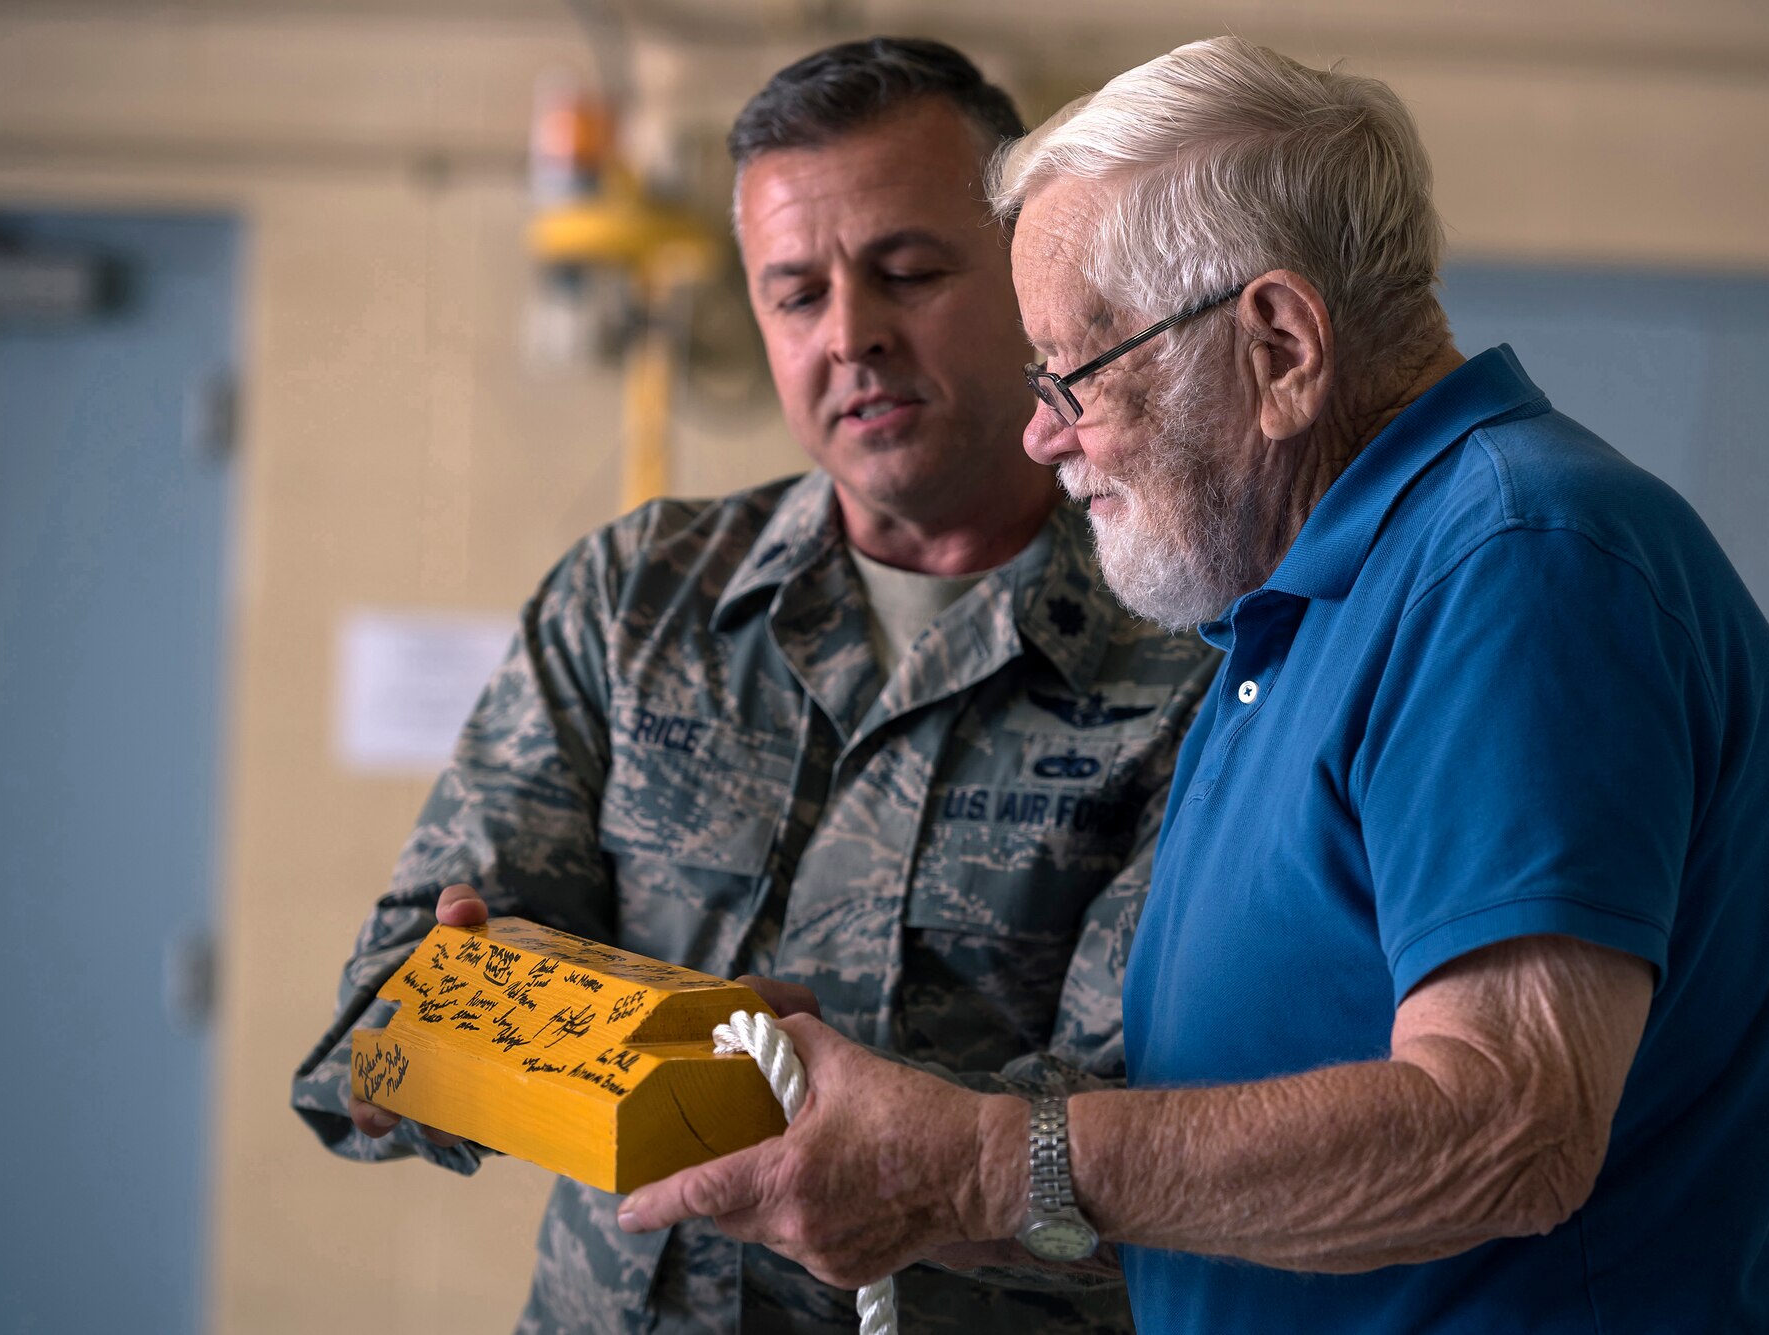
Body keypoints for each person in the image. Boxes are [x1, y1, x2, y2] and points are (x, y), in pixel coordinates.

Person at [615, 36, 1769, 1335]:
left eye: (1074, 374)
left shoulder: (1518, 564)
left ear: (1281, 344)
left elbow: (1508, 1126)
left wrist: (983, 1163)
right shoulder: (1299, 608)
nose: (1043, 435)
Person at [292, 37, 1217, 1335]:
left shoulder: (1187, 651)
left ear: (1028, 273)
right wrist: (450, 1038)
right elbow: (401, 1001)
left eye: (908, 271)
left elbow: (1146, 1135)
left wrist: (588, 1042)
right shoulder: (637, 598)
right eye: (794, 295)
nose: (852, 336)